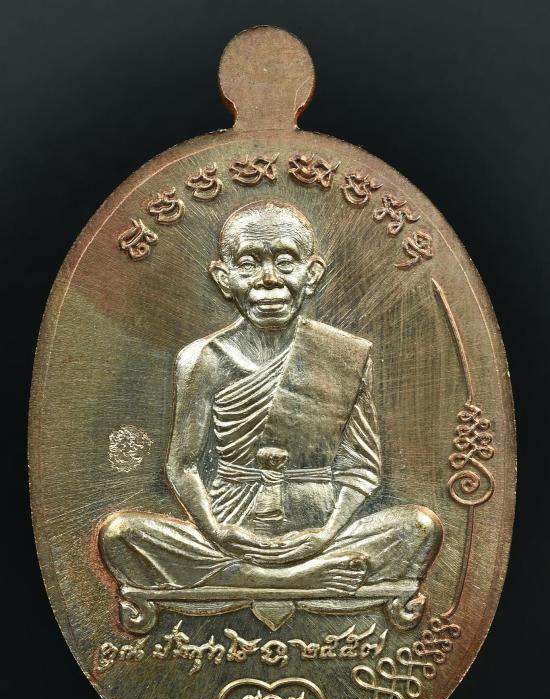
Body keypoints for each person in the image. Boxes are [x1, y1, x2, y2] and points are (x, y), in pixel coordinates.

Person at [99, 200, 442, 628]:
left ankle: (260, 578)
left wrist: (325, 535)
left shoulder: (345, 354)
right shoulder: (204, 359)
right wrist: (218, 531)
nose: (268, 280)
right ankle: (296, 579)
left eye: (285, 261)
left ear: (311, 274)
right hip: (227, 529)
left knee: (419, 528)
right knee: (121, 535)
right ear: (224, 279)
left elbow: (361, 468)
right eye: (248, 264)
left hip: (323, 527)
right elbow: (182, 465)